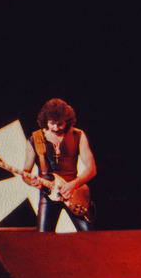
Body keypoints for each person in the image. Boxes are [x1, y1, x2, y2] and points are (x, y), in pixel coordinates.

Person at [23, 98, 96, 232]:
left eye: (60, 124)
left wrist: (73, 184)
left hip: (74, 194)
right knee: (43, 241)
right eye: (52, 124)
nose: (56, 128)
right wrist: (30, 181)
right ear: (45, 121)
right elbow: (25, 173)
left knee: (89, 238)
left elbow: (92, 169)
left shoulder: (78, 135)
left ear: (67, 121)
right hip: (48, 196)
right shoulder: (35, 139)